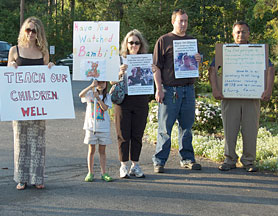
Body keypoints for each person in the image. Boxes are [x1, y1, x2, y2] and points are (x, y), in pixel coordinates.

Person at [208, 21, 274, 172]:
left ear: (249, 34)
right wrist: (215, 89)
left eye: (244, 32)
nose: (241, 35)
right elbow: (213, 69)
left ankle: (249, 161)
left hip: (252, 96)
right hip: (230, 97)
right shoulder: (226, 50)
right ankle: (229, 159)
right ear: (233, 34)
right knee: (229, 129)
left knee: (251, 129)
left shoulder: (257, 51)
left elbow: (270, 69)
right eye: (237, 32)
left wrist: (268, 90)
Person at [152, 9, 202, 173]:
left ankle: (187, 158)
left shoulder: (191, 41)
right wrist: (159, 88)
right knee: (165, 128)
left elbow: (194, 65)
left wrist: (198, 60)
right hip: (170, 90)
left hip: (188, 89)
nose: (183, 24)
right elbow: (156, 67)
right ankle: (159, 161)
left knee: (187, 127)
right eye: (180, 21)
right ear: (173, 21)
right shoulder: (164, 40)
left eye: (186, 21)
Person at [8, 16, 54, 190]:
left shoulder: (43, 52)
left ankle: (38, 177)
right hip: (20, 104)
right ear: (23, 31)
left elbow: (48, 78)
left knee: (38, 141)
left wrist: (50, 67)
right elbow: (7, 78)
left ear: (39, 32)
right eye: (28, 29)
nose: (31, 33)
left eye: (34, 30)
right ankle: (22, 177)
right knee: (21, 140)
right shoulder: (14, 50)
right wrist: (10, 65)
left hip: (38, 104)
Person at [114, 29, 157, 178]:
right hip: (123, 100)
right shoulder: (120, 59)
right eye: (130, 42)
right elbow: (111, 81)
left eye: (136, 43)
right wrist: (119, 73)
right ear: (126, 44)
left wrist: (152, 71)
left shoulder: (145, 60)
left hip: (140, 100)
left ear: (141, 44)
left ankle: (135, 165)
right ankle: (123, 165)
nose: (133, 45)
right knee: (123, 134)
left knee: (137, 134)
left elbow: (150, 79)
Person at [79, 80, 113, 182]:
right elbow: (80, 95)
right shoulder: (90, 94)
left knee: (102, 151)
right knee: (91, 150)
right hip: (91, 127)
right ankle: (90, 172)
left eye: (103, 83)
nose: (101, 85)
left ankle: (103, 172)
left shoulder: (107, 96)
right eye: (98, 83)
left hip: (103, 128)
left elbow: (105, 108)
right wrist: (91, 86)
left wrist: (98, 98)